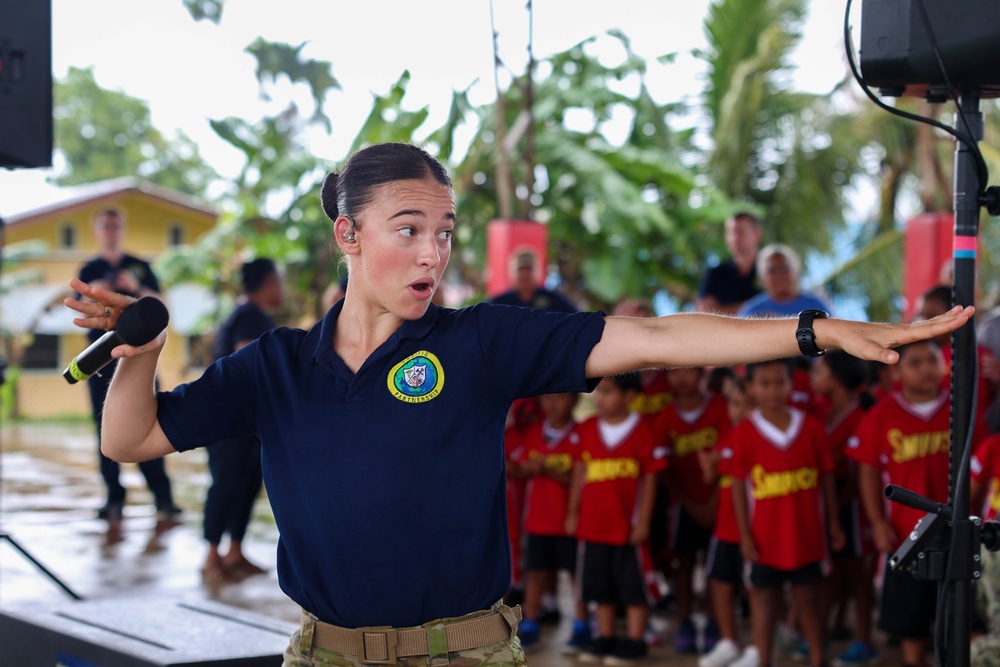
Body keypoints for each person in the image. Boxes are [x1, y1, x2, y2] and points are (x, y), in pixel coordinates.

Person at [65, 142, 974, 667]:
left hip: (469, 654)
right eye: (409, 230)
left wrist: (816, 331)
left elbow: (653, 339)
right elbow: (133, 436)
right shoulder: (275, 366)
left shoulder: (478, 343)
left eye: (446, 233)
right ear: (348, 234)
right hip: (324, 656)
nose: (433, 255)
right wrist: (139, 356)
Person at [847, 339, 986, 667]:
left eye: (932, 360)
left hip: (957, 531)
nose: (926, 368)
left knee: (964, 612)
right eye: (915, 362)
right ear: (896, 370)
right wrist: (878, 523)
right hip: (906, 534)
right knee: (910, 618)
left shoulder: (961, 409)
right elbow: (867, 472)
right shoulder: (881, 415)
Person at [727, 359, 843, 667]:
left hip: (807, 535)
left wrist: (833, 523)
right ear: (750, 388)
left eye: (780, 382)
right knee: (764, 603)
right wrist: (745, 535)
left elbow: (827, 477)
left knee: (810, 600)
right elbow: (738, 488)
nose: (774, 390)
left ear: (792, 385)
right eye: (764, 383)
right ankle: (764, 660)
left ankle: (818, 659)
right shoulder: (744, 433)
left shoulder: (812, 427)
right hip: (764, 538)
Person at [77, 207, 179, 537]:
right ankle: (114, 498)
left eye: (115, 225)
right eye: (104, 225)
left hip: (139, 359)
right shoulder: (89, 268)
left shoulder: (140, 266)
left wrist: (135, 287)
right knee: (104, 430)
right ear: (96, 230)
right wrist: (94, 290)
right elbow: (80, 307)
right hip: (99, 361)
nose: (109, 230)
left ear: (121, 230)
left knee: (149, 425)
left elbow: (161, 305)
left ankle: (163, 498)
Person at [564, 374, 666, 665]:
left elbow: (650, 480)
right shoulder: (586, 429)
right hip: (593, 526)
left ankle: (635, 640)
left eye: (608, 391)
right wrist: (572, 513)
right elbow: (579, 474)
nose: (600, 398)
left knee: (633, 586)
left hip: (627, 528)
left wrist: (644, 522)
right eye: (599, 392)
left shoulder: (644, 430)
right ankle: (605, 636)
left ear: (629, 396)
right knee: (599, 585)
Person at [201, 258, 284, 583]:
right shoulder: (250, 316)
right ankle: (211, 555)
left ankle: (233, 551)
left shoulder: (249, 314)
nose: (282, 287)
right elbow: (247, 360)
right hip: (229, 419)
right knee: (225, 483)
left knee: (247, 483)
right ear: (267, 282)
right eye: (279, 280)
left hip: (247, 420)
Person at [652, 366, 731, 654]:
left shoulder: (721, 408)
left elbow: (729, 455)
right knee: (683, 564)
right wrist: (690, 502)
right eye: (673, 373)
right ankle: (685, 622)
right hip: (683, 505)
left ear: (701, 374)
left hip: (720, 501)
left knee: (714, 568)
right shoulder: (665, 417)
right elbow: (663, 471)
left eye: (688, 372)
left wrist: (711, 503)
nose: (680, 378)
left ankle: (714, 622)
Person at [508, 392, 591, 654]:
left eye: (560, 398)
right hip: (536, 521)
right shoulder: (533, 432)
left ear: (576, 401)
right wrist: (523, 468)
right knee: (535, 573)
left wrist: (549, 470)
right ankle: (530, 622)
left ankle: (582, 624)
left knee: (576, 574)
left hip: (569, 521)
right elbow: (520, 468)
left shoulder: (581, 433)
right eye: (547, 399)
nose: (552, 404)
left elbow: (581, 477)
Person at [808, 352, 877, 666]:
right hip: (832, 506)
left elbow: (857, 473)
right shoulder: (824, 412)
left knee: (858, 575)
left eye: (820, 370)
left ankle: (864, 641)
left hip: (853, 506)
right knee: (835, 575)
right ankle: (824, 632)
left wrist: (837, 507)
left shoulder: (860, 416)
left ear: (836, 377)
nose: (814, 375)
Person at [697, 378, 753, 667]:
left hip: (754, 529)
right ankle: (729, 640)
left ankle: (758, 646)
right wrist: (709, 467)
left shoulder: (758, 437)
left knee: (757, 587)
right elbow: (714, 479)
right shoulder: (727, 435)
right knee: (720, 582)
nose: (740, 410)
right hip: (725, 526)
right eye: (734, 403)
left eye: (747, 404)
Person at [736, 244, 831, 319]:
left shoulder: (816, 305)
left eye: (784, 268)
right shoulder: (750, 313)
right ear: (761, 277)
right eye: (772, 271)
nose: (779, 275)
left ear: (795, 270)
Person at [696, 212, 764, 315]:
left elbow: (785, 304)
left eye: (741, 232)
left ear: (757, 234)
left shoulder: (773, 270)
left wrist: (723, 310)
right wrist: (759, 308)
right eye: (731, 232)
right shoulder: (716, 274)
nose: (735, 237)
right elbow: (704, 313)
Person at [488, 251, 578, 312]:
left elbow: (577, 319)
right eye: (520, 269)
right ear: (510, 273)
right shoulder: (498, 303)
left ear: (538, 272)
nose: (525, 274)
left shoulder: (553, 299)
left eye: (529, 269)